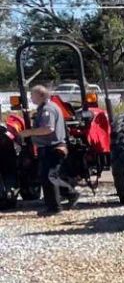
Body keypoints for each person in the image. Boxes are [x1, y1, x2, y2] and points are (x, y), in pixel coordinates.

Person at [20, 84, 76, 214]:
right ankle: (69, 195)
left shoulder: (48, 109)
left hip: (51, 148)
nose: (30, 97)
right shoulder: (45, 108)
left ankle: (55, 208)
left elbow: (48, 128)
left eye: (32, 94)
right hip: (49, 147)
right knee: (49, 177)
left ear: (41, 95)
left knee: (49, 177)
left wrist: (28, 132)